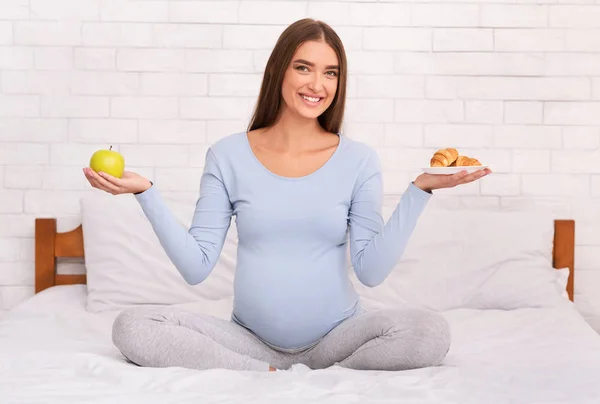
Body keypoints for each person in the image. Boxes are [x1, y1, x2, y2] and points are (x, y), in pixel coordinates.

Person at [83, 18, 491, 372]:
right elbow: (196, 266)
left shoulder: (359, 160)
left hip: (339, 339)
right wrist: (146, 193)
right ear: (280, 70)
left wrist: (419, 191)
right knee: (132, 327)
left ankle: (327, 373)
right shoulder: (227, 155)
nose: (318, 84)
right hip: (250, 340)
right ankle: (267, 371)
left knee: (430, 333)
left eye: (331, 73)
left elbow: (371, 272)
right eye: (304, 68)